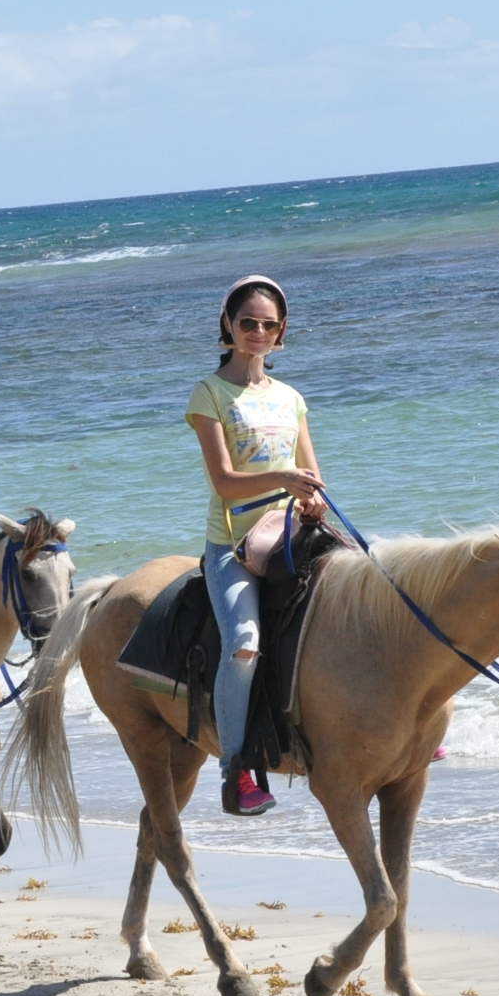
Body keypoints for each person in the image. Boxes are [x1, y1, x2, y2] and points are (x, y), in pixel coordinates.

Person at [186, 275, 327, 816]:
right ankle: (236, 770)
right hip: (234, 544)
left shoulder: (291, 397)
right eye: (249, 322)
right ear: (228, 324)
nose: (259, 332)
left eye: (270, 324)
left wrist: (313, 498)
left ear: (281, 331)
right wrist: (285, 479)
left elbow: (312, 474)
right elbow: (224, 483)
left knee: (370, 595)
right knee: (244, 645)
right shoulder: (209, 394)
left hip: (292, 532)